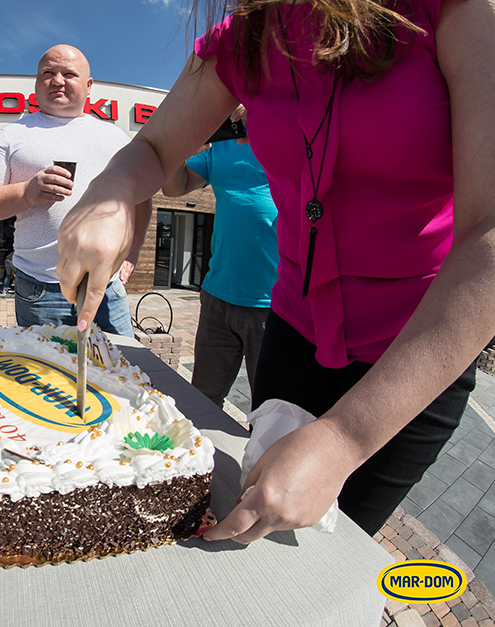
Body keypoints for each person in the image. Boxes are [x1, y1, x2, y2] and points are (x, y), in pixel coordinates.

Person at [56, 0, 495, 543]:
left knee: (333, 555)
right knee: (255, 532)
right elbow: (152, 146)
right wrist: (110, 193)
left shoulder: (458, 11)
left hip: (415, 352)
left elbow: (489, 232)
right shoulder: (242, 36)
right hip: (292, 332)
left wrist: (345, 438)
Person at [0, 44, 150, 337]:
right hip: (41, 289)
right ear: (37, 82)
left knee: (119, 373)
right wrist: (26, 192)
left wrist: (133, 251)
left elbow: (141, 197)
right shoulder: (12, 135)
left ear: (89, 86)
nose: (58, 80)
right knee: (48, 378)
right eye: (48, 73)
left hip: (106, 286)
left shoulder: (115, 137)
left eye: (69, 73)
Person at [162, 138, 278, 408]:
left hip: (274, 303)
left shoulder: (295, 135)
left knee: (270, 409)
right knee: (202, 397)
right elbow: (173, 187)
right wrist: (182, 149)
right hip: (218, 297)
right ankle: (198, 451)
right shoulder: (222, 146)